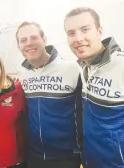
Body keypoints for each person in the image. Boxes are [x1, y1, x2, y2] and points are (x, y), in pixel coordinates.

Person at [16, 21, 82, 168]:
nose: (29, 43)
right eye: (23, 40)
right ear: (19, 46)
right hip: (33, 156)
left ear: (44, 40)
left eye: (34, 37)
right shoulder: (21, 75)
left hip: (67, 157)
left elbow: (84, 114)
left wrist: (81, 152)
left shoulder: (72, 69)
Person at [64, 7, 124, 168]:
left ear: (99, 30)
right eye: (71, 33)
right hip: (90, 161)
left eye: (85, 30)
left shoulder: (121, 66)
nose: (78, 38)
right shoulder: (84, 67)